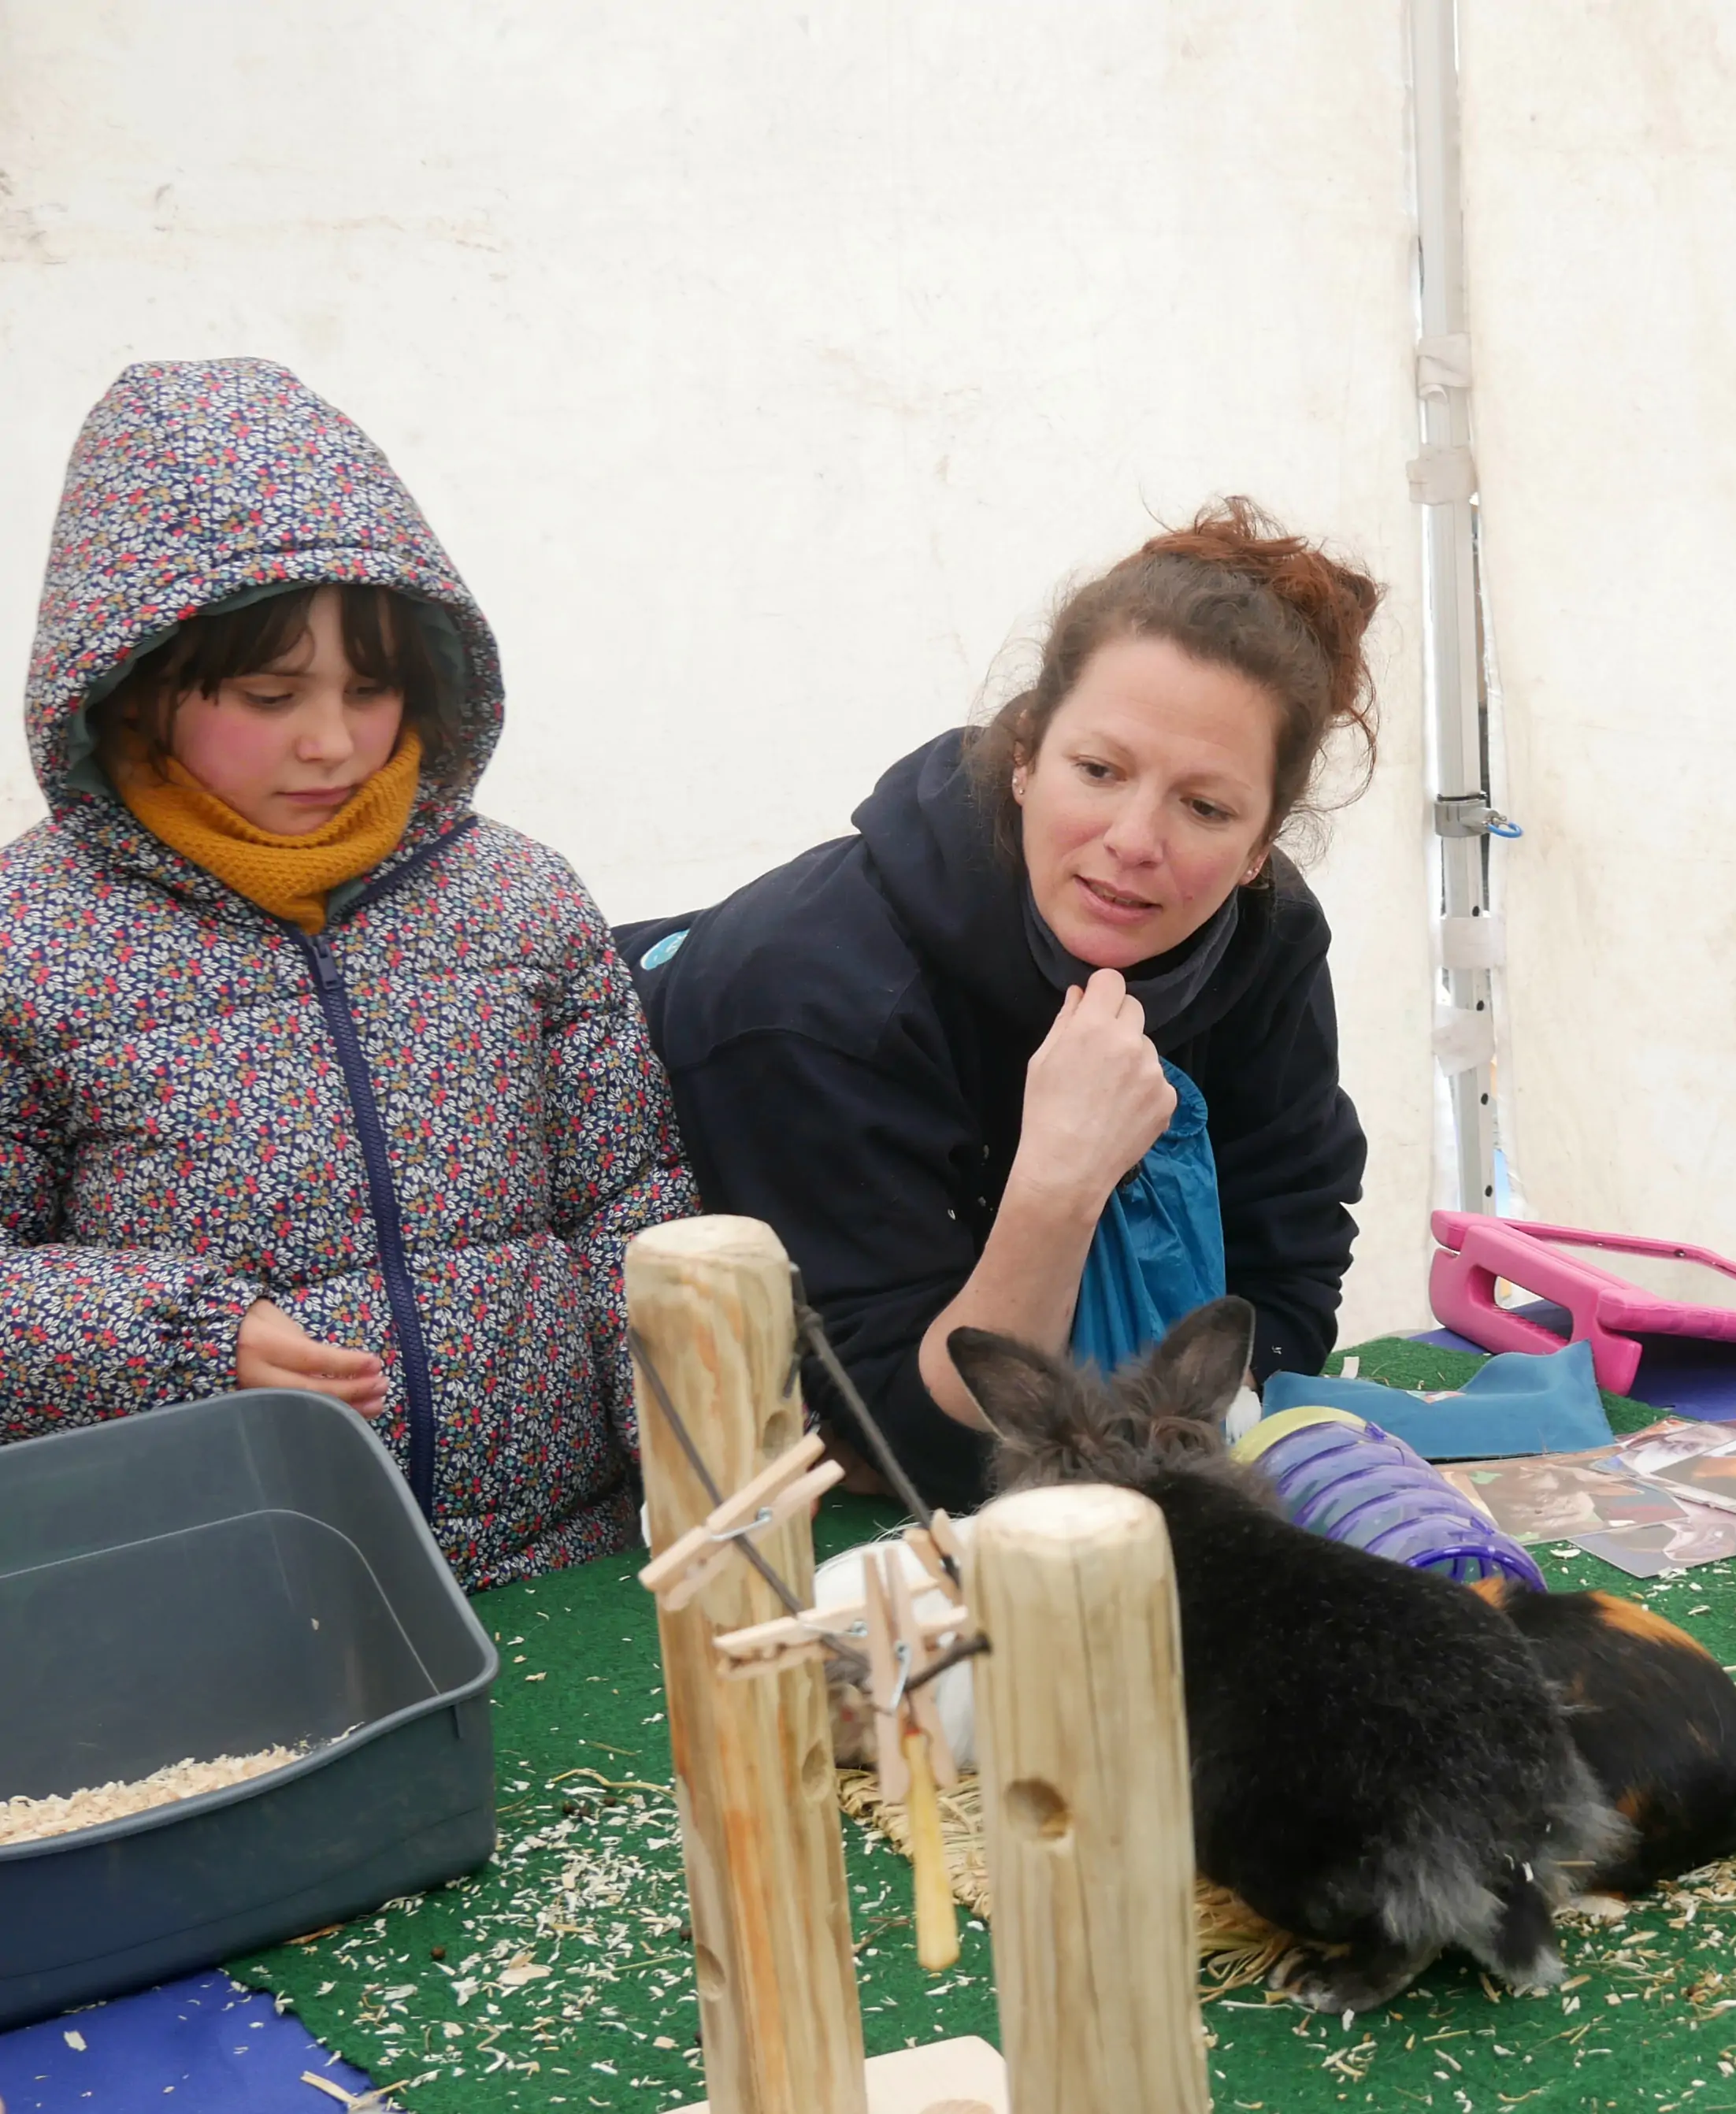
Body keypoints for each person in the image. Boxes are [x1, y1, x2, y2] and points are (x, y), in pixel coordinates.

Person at [0, 359, 692, 1587]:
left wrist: (692, 1444)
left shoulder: (518, 897)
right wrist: (181, 1339)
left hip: (564, 1566)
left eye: (370, 688)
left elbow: (626, 1206)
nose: (334, 741)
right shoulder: (29, 939)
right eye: (272, 695)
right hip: (221, 1607)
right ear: (135, 685)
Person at [632, 500, 1376, 1512]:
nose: (1133, 839)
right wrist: (1060, 1183)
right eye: (1099, 769)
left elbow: (1288, 1244)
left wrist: (1216, 1410)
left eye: (1204, 806)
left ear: (1258, 846)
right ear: (1025, 752)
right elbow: (915, 1443)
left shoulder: (1267, 932)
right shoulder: (813, 997)